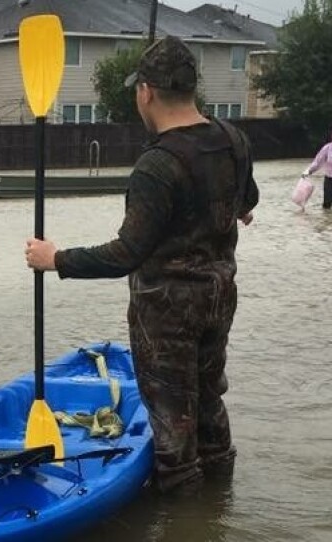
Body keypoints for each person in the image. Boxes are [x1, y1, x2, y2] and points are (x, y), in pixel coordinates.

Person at [24, 36, 259, 494]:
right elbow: (246, 202)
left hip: (167, 312)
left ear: (146, 92)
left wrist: (56, 260)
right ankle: (221, 503)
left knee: (172, 416)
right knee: (209, 397)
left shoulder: (157, 163)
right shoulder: (234, 139)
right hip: (219, 298)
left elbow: (126, 253)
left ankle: (183, 510)